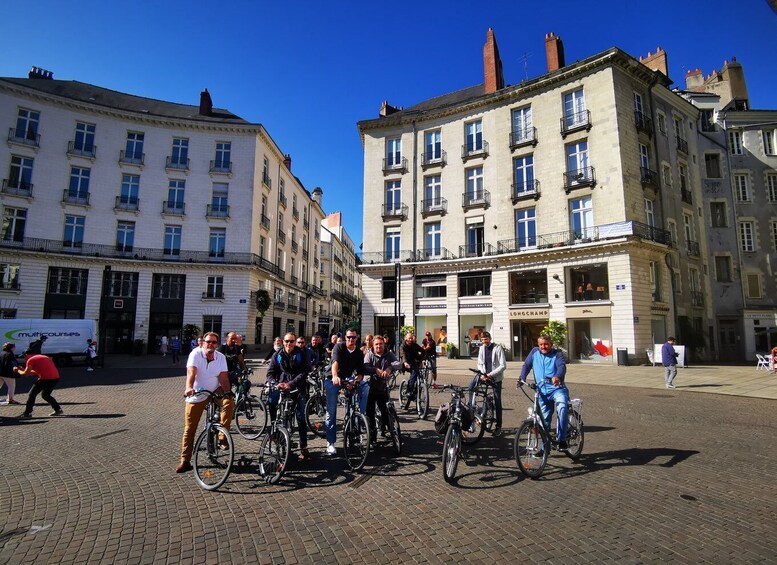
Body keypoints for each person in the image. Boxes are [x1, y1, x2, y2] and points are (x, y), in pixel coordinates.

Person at [176, 332, 234, 473]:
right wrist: (189, 387)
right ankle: (185, 460)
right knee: (190, 428)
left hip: (215, 390)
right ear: (202, 343)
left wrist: (227, 392)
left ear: (217, 344)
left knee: (229, 402)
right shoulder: (195, 354)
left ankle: (222, 436)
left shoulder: (220, 357)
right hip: (197, 392)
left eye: (214, 342)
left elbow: (223, 377)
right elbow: (192, 372)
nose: (211, 344)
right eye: (208, 341)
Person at [518, 335, 569, 450]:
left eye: (546, 344)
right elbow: (526, 365)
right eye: (541, 344)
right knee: (544, 421)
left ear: (551, 344)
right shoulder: (534, 352)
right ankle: (545, 449)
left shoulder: (557, 354)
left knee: (562, 408)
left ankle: (562, 439)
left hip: (557, 389)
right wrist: (522, 377)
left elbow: (561, 367)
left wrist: (557, 376)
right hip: (541, 391)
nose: (543, 347)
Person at [266, 332, 311, 461]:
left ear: (295, 342)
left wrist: (291, 384)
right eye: (286, 341)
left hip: (297, 388)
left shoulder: (300, 354)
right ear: (283, 341)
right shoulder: (278, 354)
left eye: (291, 341)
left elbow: (304, 372)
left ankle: (304, 447)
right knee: (271, 401)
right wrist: (275, 383)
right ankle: (274, 429)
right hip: (281, 386)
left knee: (301, 417)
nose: (288, 344)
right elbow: (270, 372)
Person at [325, 328, 368, 456]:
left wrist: (355, 381)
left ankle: (359, 417)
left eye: (353, 337)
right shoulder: (339, 347)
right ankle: (330, 443)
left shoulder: (359, 353)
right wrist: (334, 376)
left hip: (349, 378)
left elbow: (360, 372)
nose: (351, 339)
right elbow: (335, 363)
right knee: (331, 410)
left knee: (365, 386)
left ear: (357, 338)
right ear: (345, 337)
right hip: (333, 379)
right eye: (349, 337)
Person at [363, 335, 401, 443]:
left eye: (381, 344)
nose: (379, 346)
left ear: (384, 344)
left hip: (382, 387)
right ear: (373, 345)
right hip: (370, 387)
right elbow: (365, 367)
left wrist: (390, 368)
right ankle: (373, 436)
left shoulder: (388, 354)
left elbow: (398, 363)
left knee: (385, 411)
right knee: (369, 413)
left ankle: (386, 427)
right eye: (376, 344)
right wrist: (375, 370)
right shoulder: (369, 355)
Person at [467, 331, 506, 435]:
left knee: (497, 401)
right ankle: (471, 407)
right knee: (471, 387)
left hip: (495, 377)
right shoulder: (481, 348)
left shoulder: (498, 348)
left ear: (490, 338)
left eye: (486, 339)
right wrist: (483, 374)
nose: (485, 341)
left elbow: (503, 366)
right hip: (483, 375)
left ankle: (498, 426)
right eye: (483, 340)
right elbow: (479, 363)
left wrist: (490, 375)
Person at [16, 350, 63, 418]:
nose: (24, 359)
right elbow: (37, 371)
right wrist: (25, 370)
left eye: (24, 357)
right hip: (55, 378)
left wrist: (18, 370)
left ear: (26, 355)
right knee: (45, 395)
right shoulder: (44, 357)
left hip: (45, 379)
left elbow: (26, 374)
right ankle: (58, 409)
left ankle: (27, 413)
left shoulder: (30, 360)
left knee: (32, 394)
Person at [400, 332, 424, 401]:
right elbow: (403, 354)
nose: (410, 340)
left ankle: (416, 395)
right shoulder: (403, 345)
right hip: (405, 364)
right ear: (406, 338)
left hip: (413, 363)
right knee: (414, 372)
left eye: (411, 338)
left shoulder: (414, 345)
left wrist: (420, 359)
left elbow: (422, 351)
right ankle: (409, 390)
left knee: (419, 377)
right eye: (409, 338)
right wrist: (405, 362)